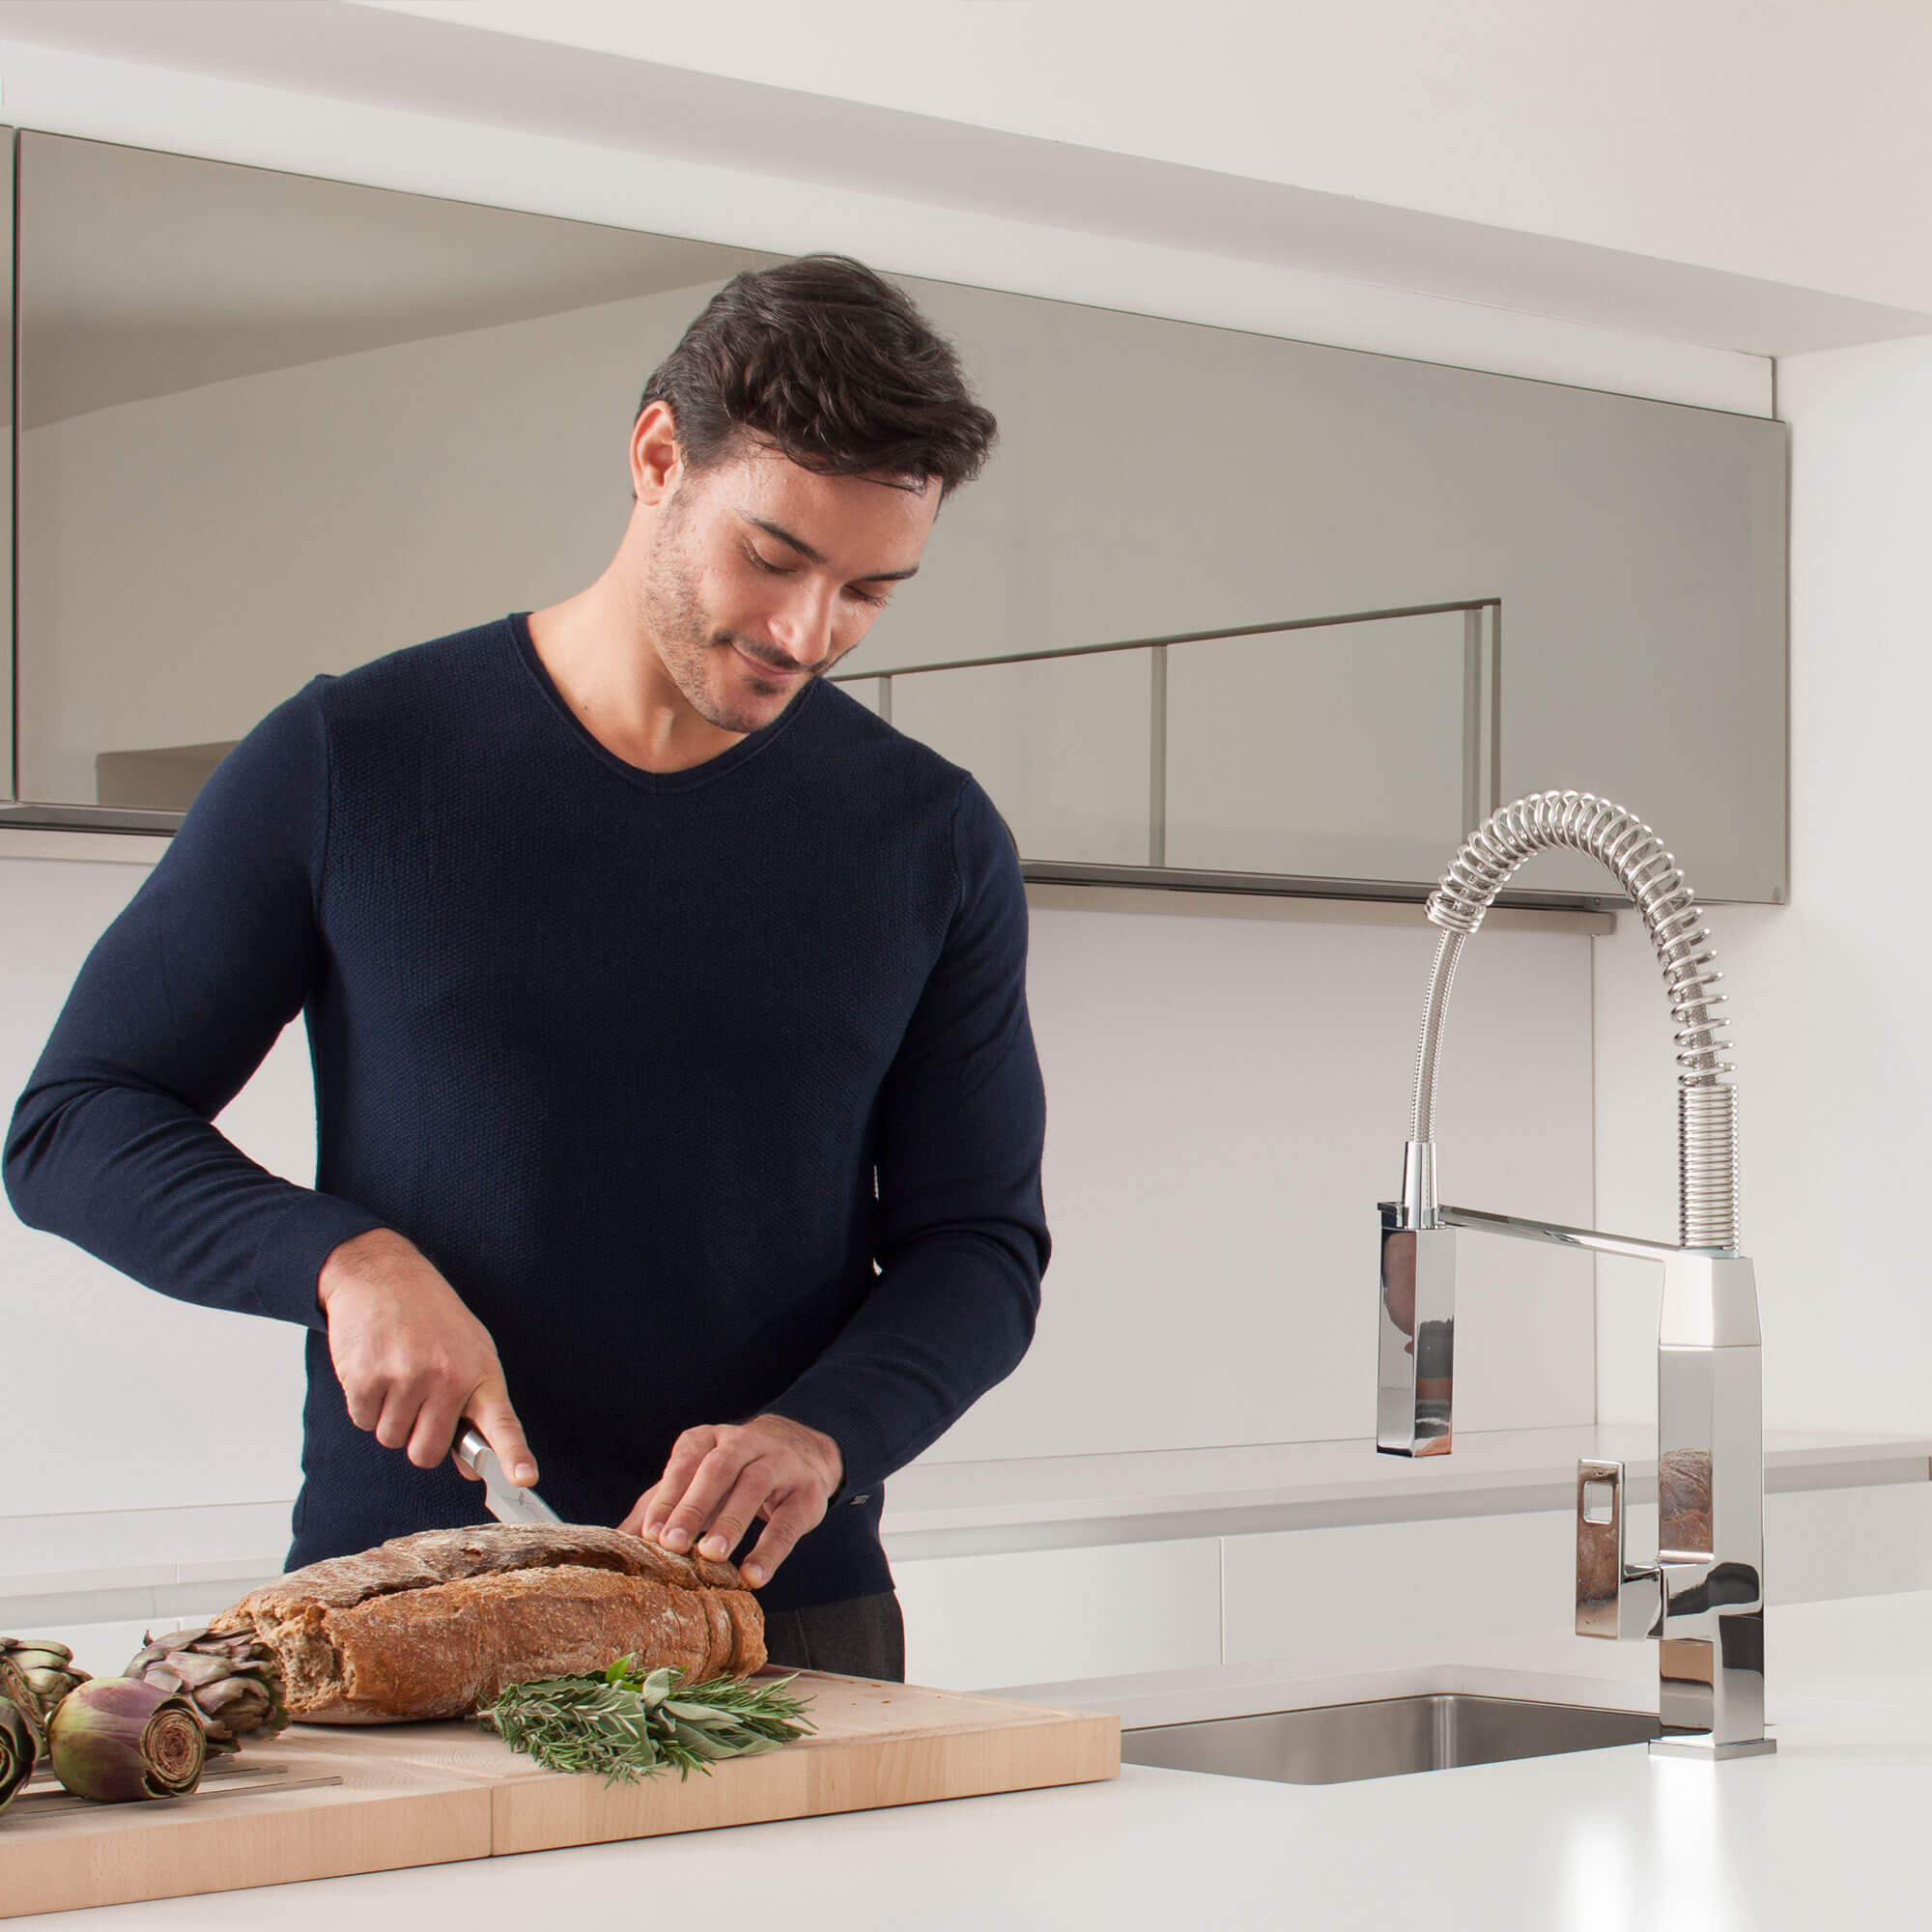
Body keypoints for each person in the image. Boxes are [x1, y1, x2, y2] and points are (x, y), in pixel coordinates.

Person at [4, 255, 1050, 1683]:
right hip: (404, 1613)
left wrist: (825, 1431)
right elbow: (75, 1123)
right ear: (658, 455)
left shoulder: (931, 839)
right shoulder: (350, 761)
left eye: (871, 590)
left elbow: (978, 1246)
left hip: (780, 1620)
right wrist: (340, 1260)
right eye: (777, 558)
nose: (810, 635)